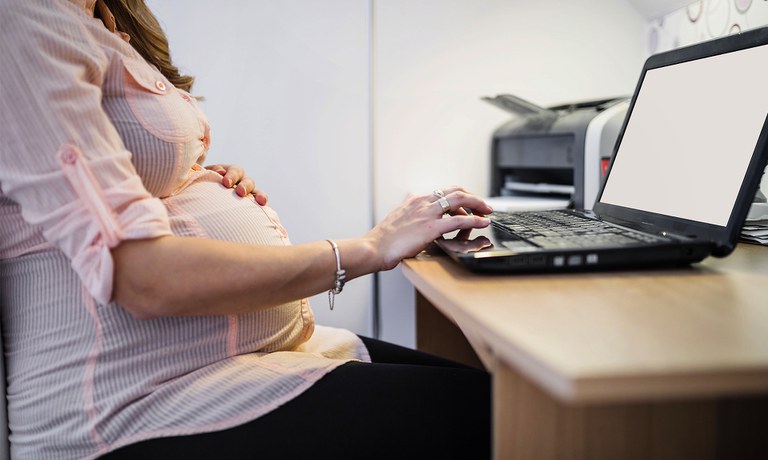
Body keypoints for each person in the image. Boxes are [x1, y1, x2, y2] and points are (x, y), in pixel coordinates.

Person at [0, 1, 493, 458]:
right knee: (498, 420)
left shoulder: (103, 14)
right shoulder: (26, 19)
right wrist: (369, 247)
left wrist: (190, 177)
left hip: (244, 361)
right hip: (131, 407)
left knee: (504, 401)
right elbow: (142, 276)